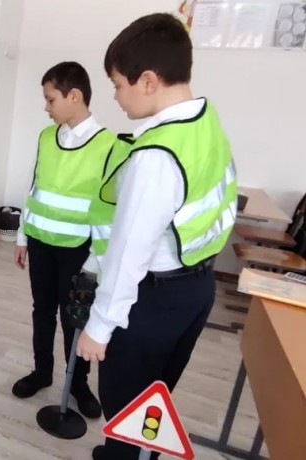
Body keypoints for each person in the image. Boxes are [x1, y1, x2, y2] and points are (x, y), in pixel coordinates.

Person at [75, 13, 237, 460]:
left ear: (148, 80)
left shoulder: (155, 156)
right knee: (153, 401)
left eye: (117, 84)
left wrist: (99, 327)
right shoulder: (205, 121)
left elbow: (128, 253)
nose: (115, 96)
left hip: (153, 300)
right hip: (197, 289)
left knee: (126, 408)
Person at [12, 62, 115, 419]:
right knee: (42, 310)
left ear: (75, 96)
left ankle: (78, 384)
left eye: (50, 99)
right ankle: (42, 371)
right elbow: (33, 188)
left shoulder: (108, 145)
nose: (46, 107)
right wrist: (22, 237)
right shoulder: (46, 137)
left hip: (79, 250)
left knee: (75, 318)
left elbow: (109, 211)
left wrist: (99, 259)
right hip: (40, 241)